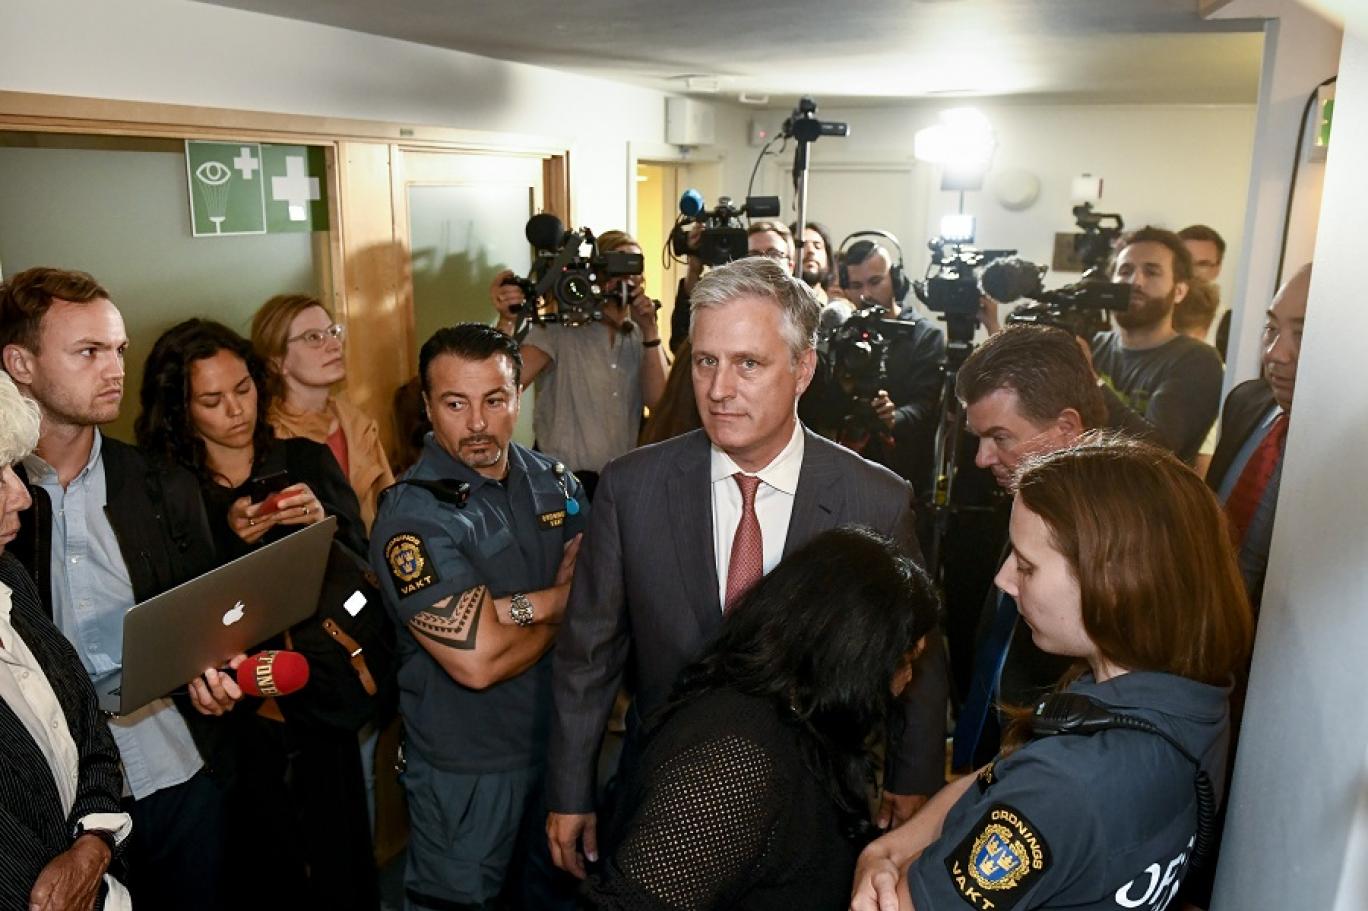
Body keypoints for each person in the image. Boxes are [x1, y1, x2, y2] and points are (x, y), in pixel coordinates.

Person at [547, 256, 949, 882]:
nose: (718, 389)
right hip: (660, 795)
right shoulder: (633, 487)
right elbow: (588, 653)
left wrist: (912, 773)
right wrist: (571, 790)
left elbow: (916, 653)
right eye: (706, 361)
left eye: (748, 364)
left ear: (803, 369)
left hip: (813, 811)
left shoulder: (873, 498)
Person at [850, 436, 1253, 911]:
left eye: (1026, 566)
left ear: (1113, 583)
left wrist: (884, 859)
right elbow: (994, 779)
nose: (1003, 579)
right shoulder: (1187, 695)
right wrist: (887, 852)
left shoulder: (1062, 786)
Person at [0, 267, 226, 911]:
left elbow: (210, 617)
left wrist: (215, 668)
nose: (114, 370)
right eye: (88, 352)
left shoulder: (165, 484)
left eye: (119, 350)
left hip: (176, 769)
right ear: (20, 363)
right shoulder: (8, 504)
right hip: (59, 806)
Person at [135, 318, 377, 910]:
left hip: (319, 696)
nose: (235, 410)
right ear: (181, 410)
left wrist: (322, 522)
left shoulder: (305, 459)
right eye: (212, 400)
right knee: (264, 876)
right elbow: (172, 605)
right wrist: (227, 537)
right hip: (235, 722)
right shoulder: (169, 492)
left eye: (243, 389)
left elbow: (362, 564)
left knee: (341, 865)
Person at [581, 526, 939, 911]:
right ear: (855, 657)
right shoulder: (736, 762)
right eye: (904, 659)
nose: (907, 679)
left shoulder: (805, 719)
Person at [369, 323, 589, 911]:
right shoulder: (411, 519)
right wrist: (562, 601)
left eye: (494, 400)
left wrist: (511, 613)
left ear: (519, 395)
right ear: (427, 406)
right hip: (466, 773)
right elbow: (479, 661)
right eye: (455, 403)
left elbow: (607, 599)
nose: (476, 423)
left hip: (559, 750)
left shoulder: (554, 481)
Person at [0, 370, 133, 911]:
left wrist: (95, 841)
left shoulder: (10, 576)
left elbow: (88, 726)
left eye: (13, 470)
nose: (21, 496)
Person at [949, 326, 1107, 770]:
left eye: (1000, 437)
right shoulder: (1032, 498)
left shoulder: (1118, 538)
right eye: (979, 438)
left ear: (1066, 428)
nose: (982, 458)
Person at [490, 229, 668, 499]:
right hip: (560, 484)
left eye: (632, 267)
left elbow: (659, 404)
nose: (625, 278)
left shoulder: (640, 336)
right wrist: (507, 321)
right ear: (596, 272)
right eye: (615, 267)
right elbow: (500, 384)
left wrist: (650, 331)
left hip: (620, 484)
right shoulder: (560, 331)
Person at [1208, 264, 1311, 612]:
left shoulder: (1351, 452)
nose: (1274, 354)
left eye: (1303, 333)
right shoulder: (1244, 402)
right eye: (1271, 329)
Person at [806, 239, 944, 491]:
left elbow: (926, 405)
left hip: (903, 468)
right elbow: (819, 407)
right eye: (856, 286)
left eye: (875, 282)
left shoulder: (925, 335)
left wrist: (894, 417)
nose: (866, 294)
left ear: (896, 280)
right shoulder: (839, 334)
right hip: (841, 466)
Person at [250, 293, 395, 530]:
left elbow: (393, 509)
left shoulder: (357, 422)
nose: (335, 345)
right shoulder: (269, 435)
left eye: (333, 332)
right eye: (313, 337)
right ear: (277, 361)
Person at [1089, 226, 1224, 464]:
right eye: (1125, 271)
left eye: (1151, 272)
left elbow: (1156, 451)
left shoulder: (1197, 361)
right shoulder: (1091, 346)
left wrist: (1090, 380)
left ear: (1179, 291)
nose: (1135, 281)